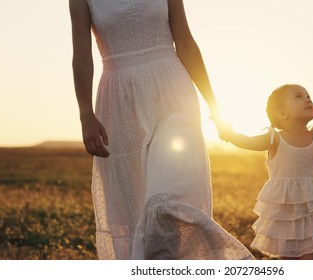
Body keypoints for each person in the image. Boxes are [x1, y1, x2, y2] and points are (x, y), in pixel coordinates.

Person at [69, 0, 252, 260]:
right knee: (131, 212)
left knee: (166, 201)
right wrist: (85, 113)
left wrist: (214, 105)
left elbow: (186, 43)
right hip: (120, 101)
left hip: (173, 95)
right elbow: (82, 56)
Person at [218, 84, 313, 259]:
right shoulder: (274, 139)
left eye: (308, 95)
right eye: (299, 96)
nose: (308, 99)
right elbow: (247, 141)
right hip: (285, 214)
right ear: (282, 114)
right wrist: (230, 134)